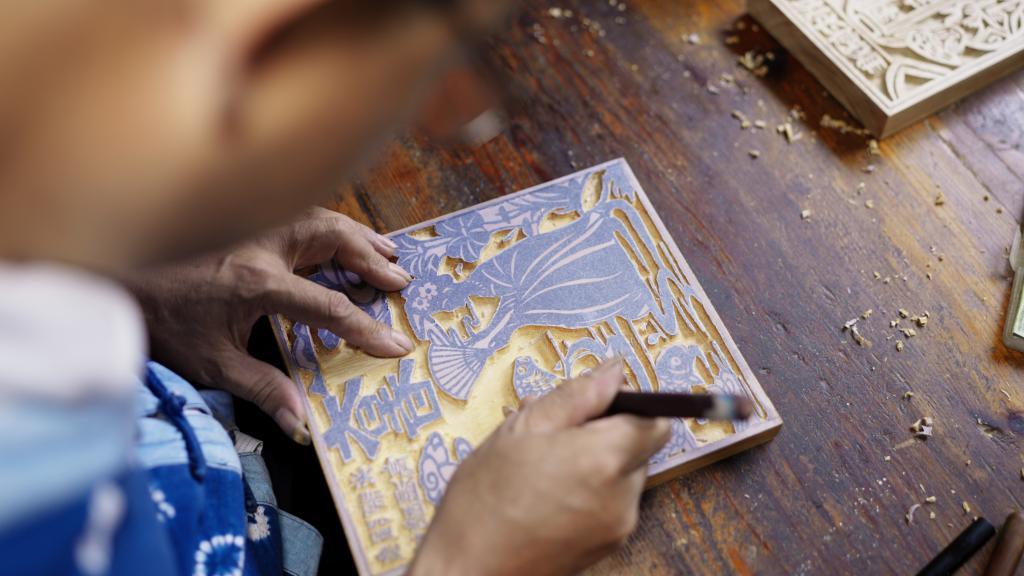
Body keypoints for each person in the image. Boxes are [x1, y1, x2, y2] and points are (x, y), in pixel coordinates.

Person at [0, 1, 671, 575]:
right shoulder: (48, 522)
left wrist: (127, 251)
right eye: (436, 81)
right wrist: (469, 560)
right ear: (269, 40)